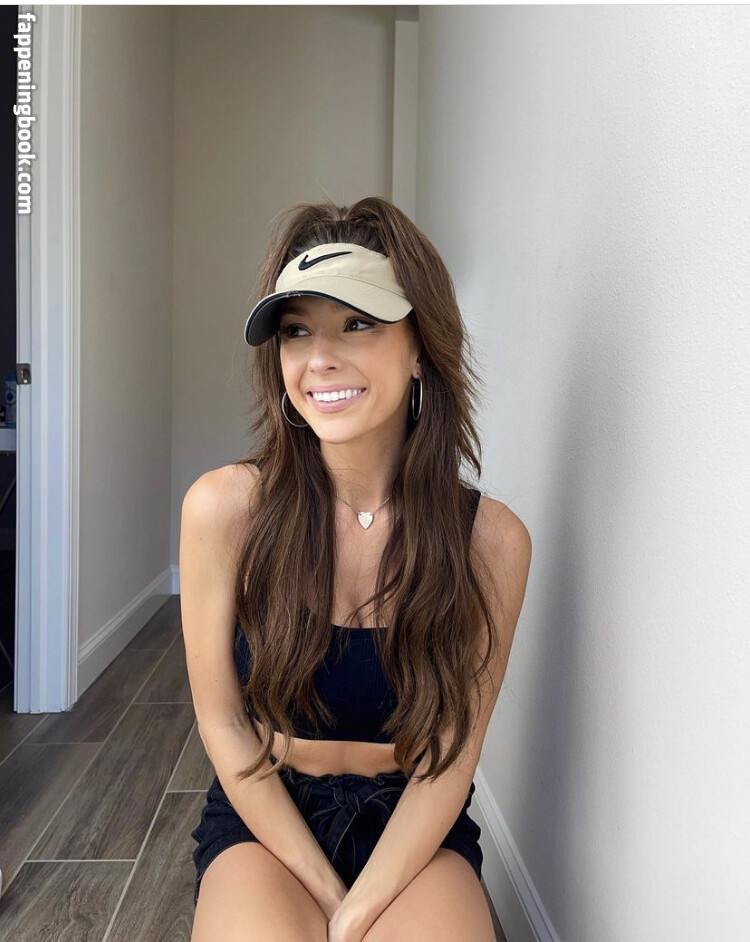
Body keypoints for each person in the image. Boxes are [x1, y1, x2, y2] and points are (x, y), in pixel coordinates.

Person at [179, 196, 532, 942]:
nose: (319, 358)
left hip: (415, 824)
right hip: (266, 814)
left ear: (420, 346)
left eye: (358, 323)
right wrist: (327, 899)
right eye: (296, 330)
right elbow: (223, 722)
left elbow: (453, 756)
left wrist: (359, 914)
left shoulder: (491, 542)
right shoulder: (223, 510)